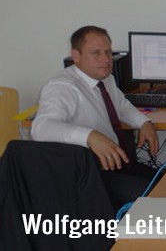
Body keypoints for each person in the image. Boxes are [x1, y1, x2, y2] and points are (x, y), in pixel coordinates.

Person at [31, 25, 159, 210]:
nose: (105, 59)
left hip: (117, 162)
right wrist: (90, 136)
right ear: (76, 55)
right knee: (156, 197)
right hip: (91, 174)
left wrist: (144, 122)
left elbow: (121, 105)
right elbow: (41, 127)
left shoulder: (106, 78)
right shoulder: (62, 86)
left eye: (108, 52)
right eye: (96, 53)